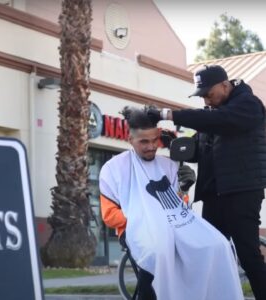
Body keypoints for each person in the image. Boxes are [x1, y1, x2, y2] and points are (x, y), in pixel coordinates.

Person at [99, 106, 243, 300]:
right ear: (130, 139)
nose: (151, 146)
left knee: (218, 246)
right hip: (136, 229)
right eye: (144, 142)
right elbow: (109, 216)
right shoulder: (113, 169)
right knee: (158, 253)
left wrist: (184, 188)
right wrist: (145, 217)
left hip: (176, 225)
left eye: (154, 140)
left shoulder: (168, 165)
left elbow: (180, 205)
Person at [147, 64, 266, 300]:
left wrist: (167, 114)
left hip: (241, 191)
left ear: (225, 85)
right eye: (202, 97)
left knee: (247, 254)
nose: (206, 102)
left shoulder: (248, 105)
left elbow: (224, 121)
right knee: (211, 253)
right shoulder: (213, 116)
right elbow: (197, 150)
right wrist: (171, 143)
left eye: (208, 95)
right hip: (214, 194)